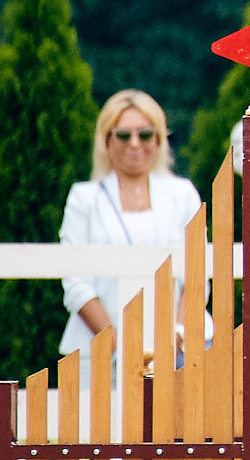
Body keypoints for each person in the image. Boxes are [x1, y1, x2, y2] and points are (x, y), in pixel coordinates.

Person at [60, 90, 203, 360]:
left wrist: (176, 336)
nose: (135, 143)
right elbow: (75, 281)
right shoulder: (84, 198)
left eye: (145, 134)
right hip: (100, 352)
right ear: (106, 141)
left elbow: (198, 274)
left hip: (178, 351)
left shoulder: (183, 194)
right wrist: (116, 343)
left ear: (159, 139)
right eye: (124, 135)